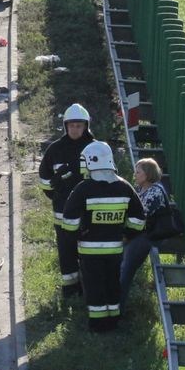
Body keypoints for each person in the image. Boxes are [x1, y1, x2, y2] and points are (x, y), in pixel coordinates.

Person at [60, 142, 145, 332]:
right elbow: (139, 219)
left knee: (94, 286)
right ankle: (113, 322)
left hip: (89, 251)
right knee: (112, 284)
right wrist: (126, 234)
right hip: (115, 249)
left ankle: (98, 326)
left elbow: (69, 220)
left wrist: (74, 237)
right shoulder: (125, 187)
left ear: (90, 162)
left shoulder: (83, 189)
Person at [37, 104, 95, 298]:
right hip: (62, 213)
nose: (75, 129)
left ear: (86, 126)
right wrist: (57, 195)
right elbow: (44, 179)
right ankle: (70, 291)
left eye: (79, 126)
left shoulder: (95, 148)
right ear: (65, 126)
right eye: (71, 126)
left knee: (88, 252)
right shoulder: (56, 149)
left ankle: (89, 288)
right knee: (66, 252)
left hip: (89, 213)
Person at [118, 158, 172, 309]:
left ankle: (118, 307)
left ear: (148, 174)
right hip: (139, 232)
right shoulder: (140, 188)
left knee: (126, 267)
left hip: (150, 235)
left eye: (138, 171)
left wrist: (126, 234)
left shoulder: (155, 191)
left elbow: (142, 218)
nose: (135, 174)